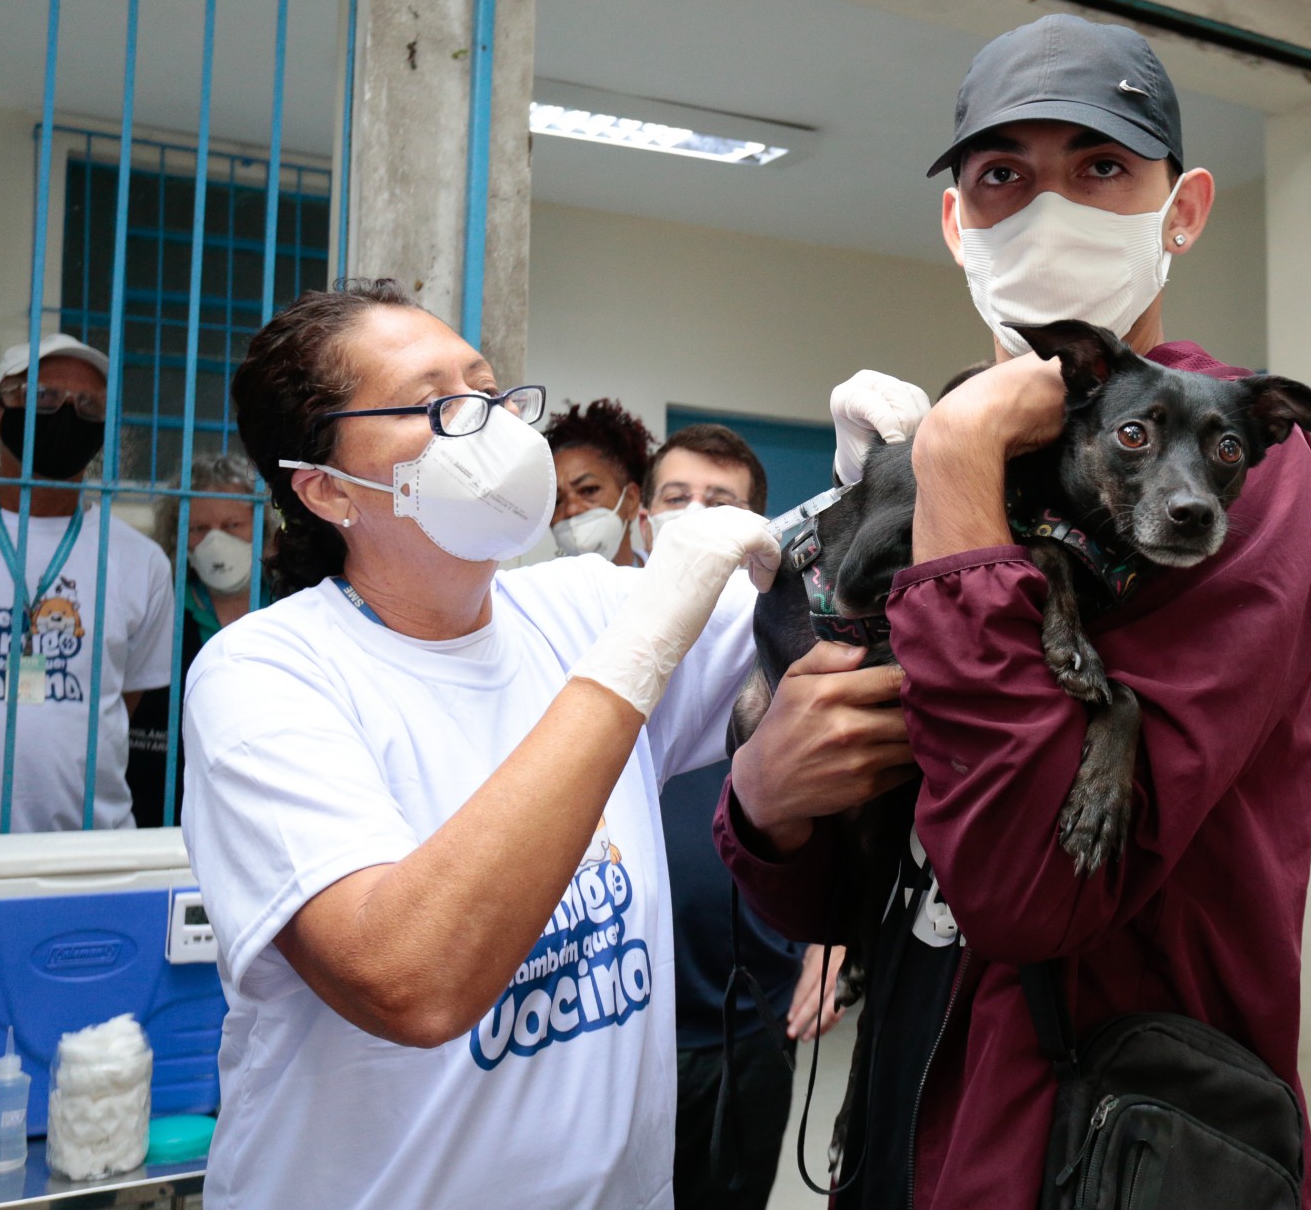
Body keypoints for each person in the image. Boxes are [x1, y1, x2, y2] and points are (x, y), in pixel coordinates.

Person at [715, 14, 1311, 1209]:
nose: (1049, 209)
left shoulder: (1227, 474)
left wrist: (955, 455)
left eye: (1100, 166)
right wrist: (768, 801)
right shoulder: (978, 443)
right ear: (959, 223)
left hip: (1114, 1142)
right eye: (1003, 175)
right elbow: (855, 889)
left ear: (1183, 211)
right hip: (916, 1117)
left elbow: (1027, 885)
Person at [180, 279, 901, 1210]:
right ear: (327, 488)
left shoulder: (576, 606)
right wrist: (636, 654)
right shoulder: (268, 673)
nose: (487, 424)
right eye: (437, 405)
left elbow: (835, 618)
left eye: (489, 393)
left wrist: (874, 498)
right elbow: (412, 980)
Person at [649, 423, 847, 1210]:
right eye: (676, 497)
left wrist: (836, 936)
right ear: (643, 518)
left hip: (749, 1019)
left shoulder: (793, 650)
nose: (695, 515)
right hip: (614, 1024)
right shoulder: (582, 640)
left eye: (720, 502)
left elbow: (854, 808)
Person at [0, 333, 174, 876]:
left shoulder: (140, 561)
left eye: (89, 406)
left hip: (86, 861)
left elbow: (122, 698)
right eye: (44, 397)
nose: (67, 415)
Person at [126, 450, 269, 827]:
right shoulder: (161, 608)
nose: (215, 541)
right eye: (198, 529)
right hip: (164, 814)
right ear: (178, 538)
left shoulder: (293, 605)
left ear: (264, 530)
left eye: (233, 525)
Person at [546, 398, 655, 564]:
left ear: (631, 500)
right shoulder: (537, 581)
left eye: (588, 490)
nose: (571, 509)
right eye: (556, 502)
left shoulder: (668, 577)